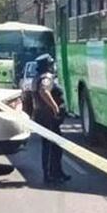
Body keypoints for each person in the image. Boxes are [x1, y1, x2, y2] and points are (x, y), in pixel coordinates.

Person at [31, 54, 70, 184]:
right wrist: (55, 107)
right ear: (48, 66)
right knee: (50, 147)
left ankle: (57, 172)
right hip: (48, 118)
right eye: (51, 64)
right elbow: (44, 91)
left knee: (56, 146)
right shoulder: (46, 78)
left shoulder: (38, 77)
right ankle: (50, 175)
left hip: (45, 117)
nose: (53, 66)